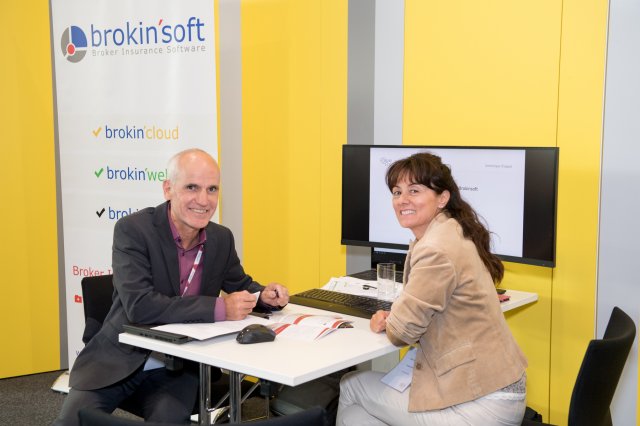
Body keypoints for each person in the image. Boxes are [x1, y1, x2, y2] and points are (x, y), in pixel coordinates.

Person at [55, 148, 289, 425]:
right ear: (168, 189)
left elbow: (240, 284)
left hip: (178, 367)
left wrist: (263, 296)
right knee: (70, 422)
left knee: (169, 419)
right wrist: (219, 308)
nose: (203, 200)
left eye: (212, 189)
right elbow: (140, 306)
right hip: (120, 357)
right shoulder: (134, 230)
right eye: (192, 187)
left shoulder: (221, 238)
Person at [336, 152, 527, 426]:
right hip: (494, 388)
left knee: (352, 385)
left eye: (414, 190)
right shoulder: (452, 230)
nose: (402, 200)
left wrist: (393, 321)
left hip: (481, 404)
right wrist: (399, 317)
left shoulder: (435, 248)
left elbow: (402, 333)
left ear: (442, 198)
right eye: (397, 192)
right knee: (358, 413)